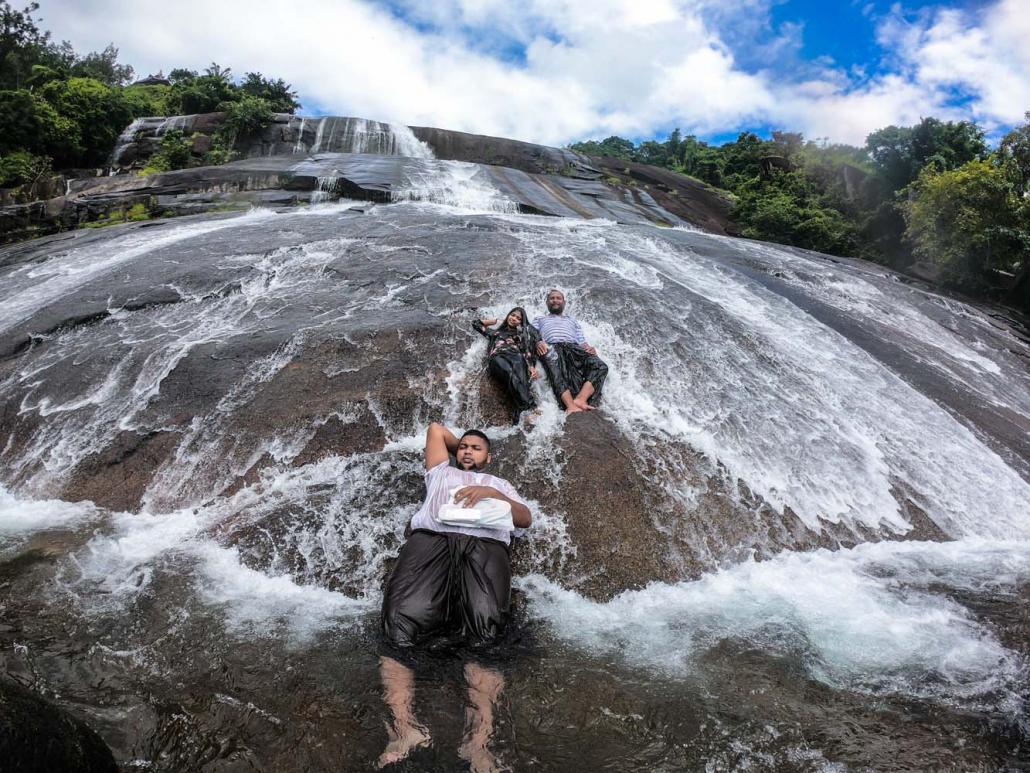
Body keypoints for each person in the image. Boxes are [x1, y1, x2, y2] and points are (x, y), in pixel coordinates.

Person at [378, 422, 532, 770]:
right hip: (430, 542)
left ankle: (477, 743)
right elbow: (434, 429)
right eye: (462, 446)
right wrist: (459, 447)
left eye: (476, 448)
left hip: (485, 546)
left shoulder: (500, 484)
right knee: (398, 622)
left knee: (487, 632)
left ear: (489, 456)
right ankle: (405, 729)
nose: (466, 450)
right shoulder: (440, 474)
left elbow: (524, 519)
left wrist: (491, 494)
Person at [533, 289, 608, 413]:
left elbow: (581, 340)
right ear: (546, 302)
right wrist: (537, 341)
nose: (555, 300)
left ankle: (581, 399)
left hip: (573, 347)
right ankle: (570, 406)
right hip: (552, 346)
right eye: (552, 298)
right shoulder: (540, 319)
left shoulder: (572, 320)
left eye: (558, 298)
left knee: (601, 366)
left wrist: (588, 347)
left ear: (564, 302)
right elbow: (532, 333)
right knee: (555, 371)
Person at [473, 307, 542, 423]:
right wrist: (492, 321)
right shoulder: (495, 333)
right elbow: (475, 324)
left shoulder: (521, 336)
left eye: (518, 318)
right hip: (498, 357)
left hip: (516, 357)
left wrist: (531, 367)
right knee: (510, 373)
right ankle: (531, 407)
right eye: (513, 315)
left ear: (521, 322)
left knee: (522, 379)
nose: (514, 319)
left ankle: (519, 415)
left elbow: (526, 352)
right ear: (508, 315)